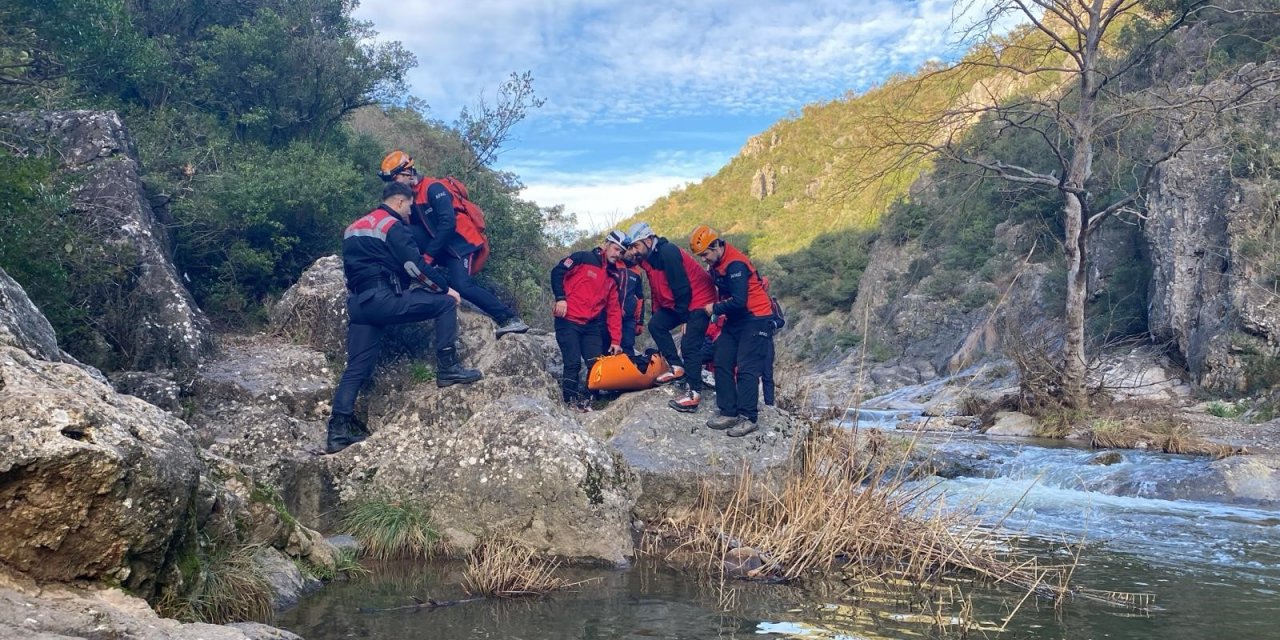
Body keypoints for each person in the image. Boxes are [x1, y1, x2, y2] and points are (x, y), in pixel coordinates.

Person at [326, 181, 483, 454]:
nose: (411, 211)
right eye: (410, 205)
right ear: (400, 202)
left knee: (356, 367)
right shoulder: (392, 226)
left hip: (359, 304)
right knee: (445, 304)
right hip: (383, 299)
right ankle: (448, 369)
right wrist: (447, 289)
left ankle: (337, 432)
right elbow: (414, 266)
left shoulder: (354, 227)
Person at [378, 151, 529, 340]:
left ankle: (509, 318)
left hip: (461, 245)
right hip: (440, 245)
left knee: (462, 285)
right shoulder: (409, 197)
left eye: (395, 178)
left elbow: (447, 224)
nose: (393, 183)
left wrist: (428, 257)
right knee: (402, 231)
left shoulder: (433, 188)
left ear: (408, 172)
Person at [690, 225, 775, 437]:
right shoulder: (716, 265)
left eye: (705, 254)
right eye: (701, 256)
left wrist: (714, 309)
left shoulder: (735, 263)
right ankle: (728, 411)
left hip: (756, 318)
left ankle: (749, 417)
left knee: (747, 367)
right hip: (736, 320)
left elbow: (739, 300)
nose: (704, 259)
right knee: (722, 359)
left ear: (716, 246)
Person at [624, 222, 718, 413]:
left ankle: (694, 394)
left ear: (649, 240)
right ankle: (677, 367)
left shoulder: (668, 252)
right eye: (633, 247)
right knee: (657, 325)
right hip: (679, 302)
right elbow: (656, 287)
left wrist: (684, 318)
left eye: (636, 246)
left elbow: (681, 286)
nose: (635, 251)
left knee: (689, 345)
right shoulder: (648, 258)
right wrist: (658, 311)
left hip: (699, 300)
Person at [550, 233, 625, 411]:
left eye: (621, 252)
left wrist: (616, 340)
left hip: (591, 325)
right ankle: (570, 402)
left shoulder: (612, 276)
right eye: (615, 249)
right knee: (573, 362)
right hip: (568, 320)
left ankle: (591, 399)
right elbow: (557, 272)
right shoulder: (583, 258)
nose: (617, 254)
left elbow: (614, 310)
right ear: (606, 244)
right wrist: (560, 298)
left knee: (596, 363)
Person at [606, 233, 646, 355]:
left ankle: (629, 372)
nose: (632, 253)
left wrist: (639, 322)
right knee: (607, 346)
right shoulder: (614, 265)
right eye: (629, 249)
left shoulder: (637, 272)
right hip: (610, 315)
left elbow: (640, 298)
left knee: (628, 347)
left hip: (629, 319)